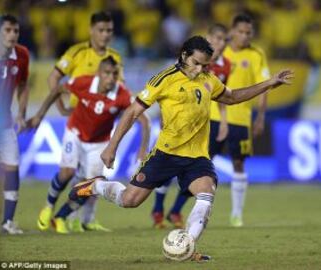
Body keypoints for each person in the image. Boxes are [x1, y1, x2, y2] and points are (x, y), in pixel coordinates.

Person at [68, 36, 293, 261]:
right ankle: (96, 186)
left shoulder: (209, 79)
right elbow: (132, 112)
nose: (200, 69)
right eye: (197, 63)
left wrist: (268, 84)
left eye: (205, 65)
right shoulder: (164, 79)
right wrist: (112, 147)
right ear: (184, 55)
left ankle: (186, 246)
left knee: (206, 193)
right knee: (130, 200)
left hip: (197, 157)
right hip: (166, 153)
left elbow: (232, 97)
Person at [27, 56, 150, 233]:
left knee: (91, 185)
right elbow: (57, 90)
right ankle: (48, 206)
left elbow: (144, 121)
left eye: (114, 74)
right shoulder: (83, 82)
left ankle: (60, 216)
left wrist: (143, 149)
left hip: (99, 143)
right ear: (99, 73)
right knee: (67, 172)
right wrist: (41, 114)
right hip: (75, 134)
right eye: (107, 73)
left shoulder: (121, 93)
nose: (111, 78)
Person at [37, 11, 123, 233]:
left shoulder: (115, 57)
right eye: (101, 30)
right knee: (69, 172)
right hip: (78, 121)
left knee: (91, 179)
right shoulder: (77, 52)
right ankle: (52, 208)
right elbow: (54, 79)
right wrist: (63, 108)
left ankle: (85, 219)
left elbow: (117, 91)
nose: (105, 35)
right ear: (91, 30)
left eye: (109, 31)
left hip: (100, 126)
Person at [150, 24, 231, 229]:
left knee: (199, 171)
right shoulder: (188, 63)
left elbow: (223, 96)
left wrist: (223, 121)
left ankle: (176, 210)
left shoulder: (224, 66)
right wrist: (164, 119)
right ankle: (158, 209)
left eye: (224, 40)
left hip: (205, 125)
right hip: (180, 125)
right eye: (217, 38)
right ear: (209, 37)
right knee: (169, 167)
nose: (220, 43)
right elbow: (169, 93)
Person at [214, 14, 271, 227]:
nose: (245, 36)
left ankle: (236, 213)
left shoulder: (256, 54)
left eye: (249, 32)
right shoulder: (220, 50)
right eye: (241, 31)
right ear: (232, 31)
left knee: (238, 162)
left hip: (241, 118)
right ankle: (192, 211)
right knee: (202, 162)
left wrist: (261, 117)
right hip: (214, 117)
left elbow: (264, 86)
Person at [0, 14, 30, 234]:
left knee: (12, 167)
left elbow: (24, 85)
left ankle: (8, 222)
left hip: (6, 123)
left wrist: (21, 112)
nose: (12, 35)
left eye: (15, 31)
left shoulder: (22, 55)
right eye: (8, 30)